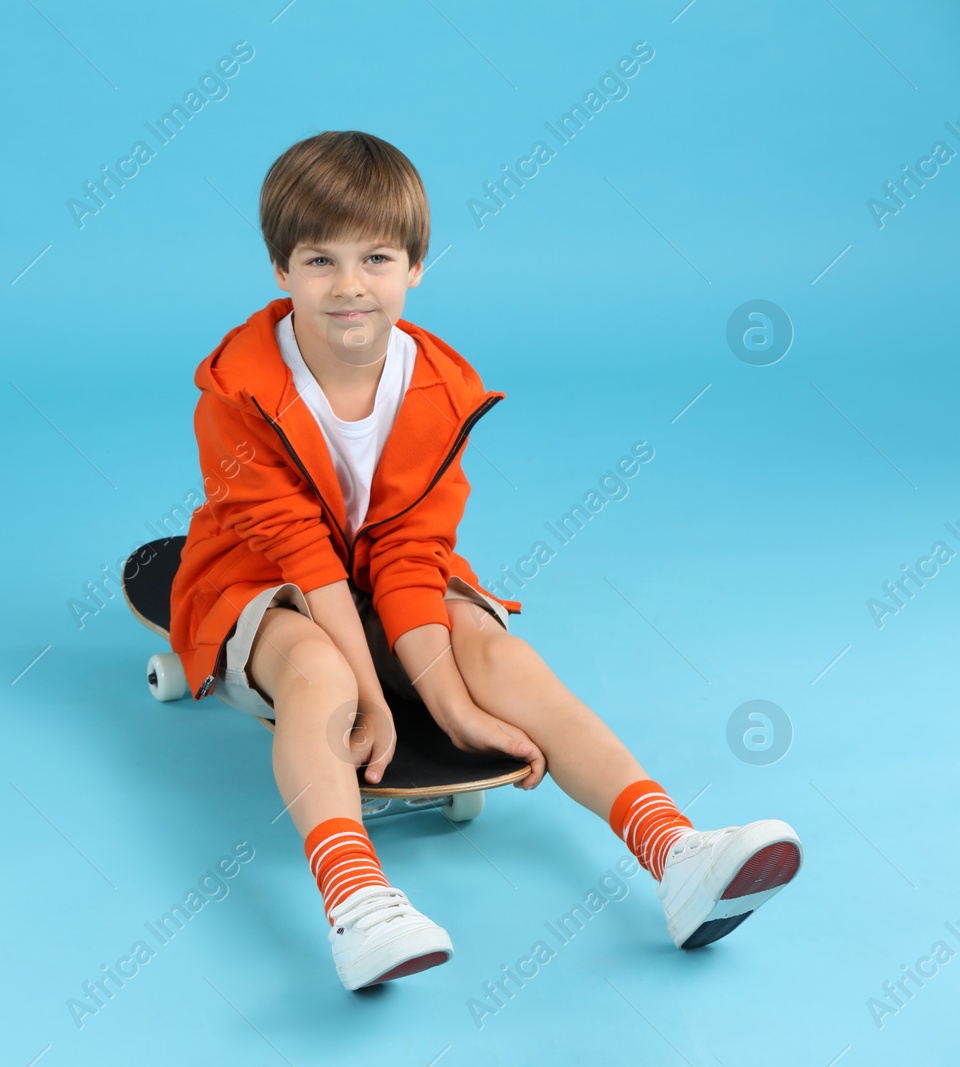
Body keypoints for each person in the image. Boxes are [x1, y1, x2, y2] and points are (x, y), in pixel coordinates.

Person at [167, 130, 802, 992]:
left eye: (377, 257)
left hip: (385, 583)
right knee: (322, 674)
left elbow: (405, 549)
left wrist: (454, 705)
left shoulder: (436, 386)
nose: (350, 286)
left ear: (416, 267)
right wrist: (371, 704)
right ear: (281, 270)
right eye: (320, 260)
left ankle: (675, 847)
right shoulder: (235, 393)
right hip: (264, 580)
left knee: (495, 650)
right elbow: (303, 556)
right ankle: (358, 903)